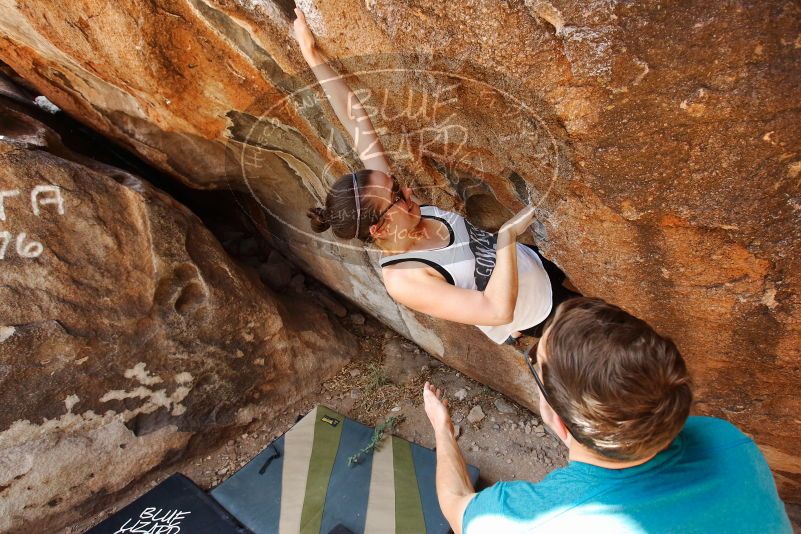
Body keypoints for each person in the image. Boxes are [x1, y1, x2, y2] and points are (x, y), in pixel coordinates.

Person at [292, 8, 579, 346]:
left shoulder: (395, 210)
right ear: (379, 228)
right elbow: (495, 311)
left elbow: (356, 120)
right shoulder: (405, 280)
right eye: (398, 197)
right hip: (539, 312)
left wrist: (312, 57)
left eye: (397, 187)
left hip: (532, 260)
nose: (408, 191)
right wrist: (506, 237)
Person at [422, 297, 792, 533]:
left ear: (558, 420)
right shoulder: (727, 441)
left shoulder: (527, 522)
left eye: (534, 361)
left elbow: (455, 503)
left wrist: (442, 427)